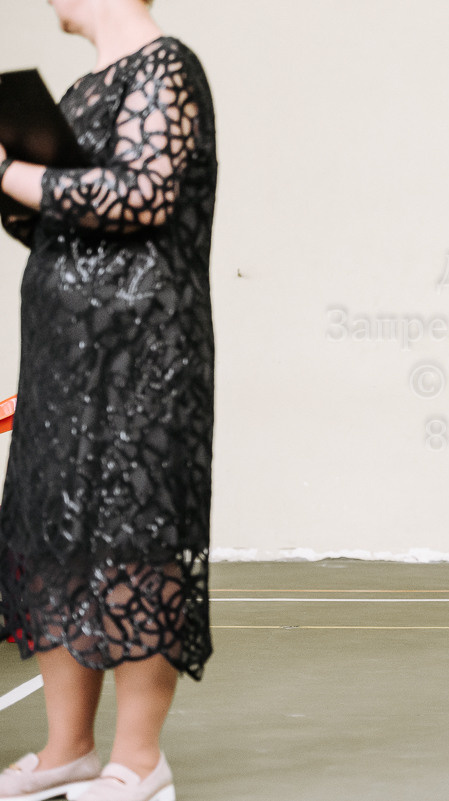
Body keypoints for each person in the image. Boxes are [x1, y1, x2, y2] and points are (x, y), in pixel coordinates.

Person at [0, 1, 217, 799]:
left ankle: (139, 759)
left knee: (134, 537)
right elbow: (71, 223)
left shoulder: (166, 67)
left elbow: (142, 198)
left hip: (143, 357)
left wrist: (9, 173)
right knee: (51, 537)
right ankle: (69, 749)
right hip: (66, 356)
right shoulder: (89, 86)